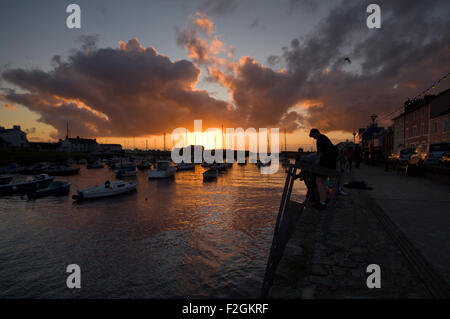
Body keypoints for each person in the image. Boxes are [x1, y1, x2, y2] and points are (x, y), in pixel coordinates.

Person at [309, 128, 337, 210]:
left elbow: (320, 152)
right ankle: (325, 199)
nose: (314, 138)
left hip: (325, 163)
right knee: (323, 181)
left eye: (313, 136)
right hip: (331, 163)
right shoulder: (325, 138)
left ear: (315, 133)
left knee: (318, 181)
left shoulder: (320, 139)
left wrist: (317, 162)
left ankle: (322, 203)